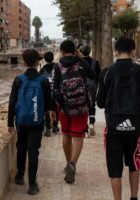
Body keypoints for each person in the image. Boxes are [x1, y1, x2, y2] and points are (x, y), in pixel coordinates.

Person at [97, 36, 140, 200]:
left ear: (115, 51)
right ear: (133, 50)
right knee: (135, 164)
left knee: (115, 169)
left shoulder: (106, 72)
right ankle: (134, 197)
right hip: (136, 127)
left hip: (113, 128)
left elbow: (100, 103)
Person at [8, 49, 53, 195]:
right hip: (36, 122)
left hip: (21, 121)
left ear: (24, 62)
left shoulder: (18, 79)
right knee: (33, 151)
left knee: (21, 147)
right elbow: (48, 105)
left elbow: (12, 102)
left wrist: (9, 123)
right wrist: (48, 122)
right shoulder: (43, 80)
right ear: (38, 62)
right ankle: (32, 184)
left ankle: (20, 175)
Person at [52, 40, 96, 184]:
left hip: (64, 106)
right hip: (81, 106)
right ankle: (73, 164)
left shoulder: (57, 65)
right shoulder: (81, 63)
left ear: (62, 51)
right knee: (78, 135)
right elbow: (93, 75)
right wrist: (80, 58)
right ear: (75, 50)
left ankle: (67, 163)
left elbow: (55, 88)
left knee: (66, 134)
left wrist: (54, 108)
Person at [77, 44, 101, 137]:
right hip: (93, 87)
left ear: (81, 52)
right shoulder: (96, 62)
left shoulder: (79, 63)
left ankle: (85, 130)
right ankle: (91, 123)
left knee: (82, 108)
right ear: (89, 51)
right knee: (92, 106)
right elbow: (98, 77)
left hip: (81, 87)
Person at [39, 51, 60, 137]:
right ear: (52, 58)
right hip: (56, 92)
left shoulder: (42, 70)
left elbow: (39, 81)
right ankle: (55, 126)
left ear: (45, 59)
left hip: (45, 93)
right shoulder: (57, 67)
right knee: (55, 109)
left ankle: (47, 129)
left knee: (47, 110)